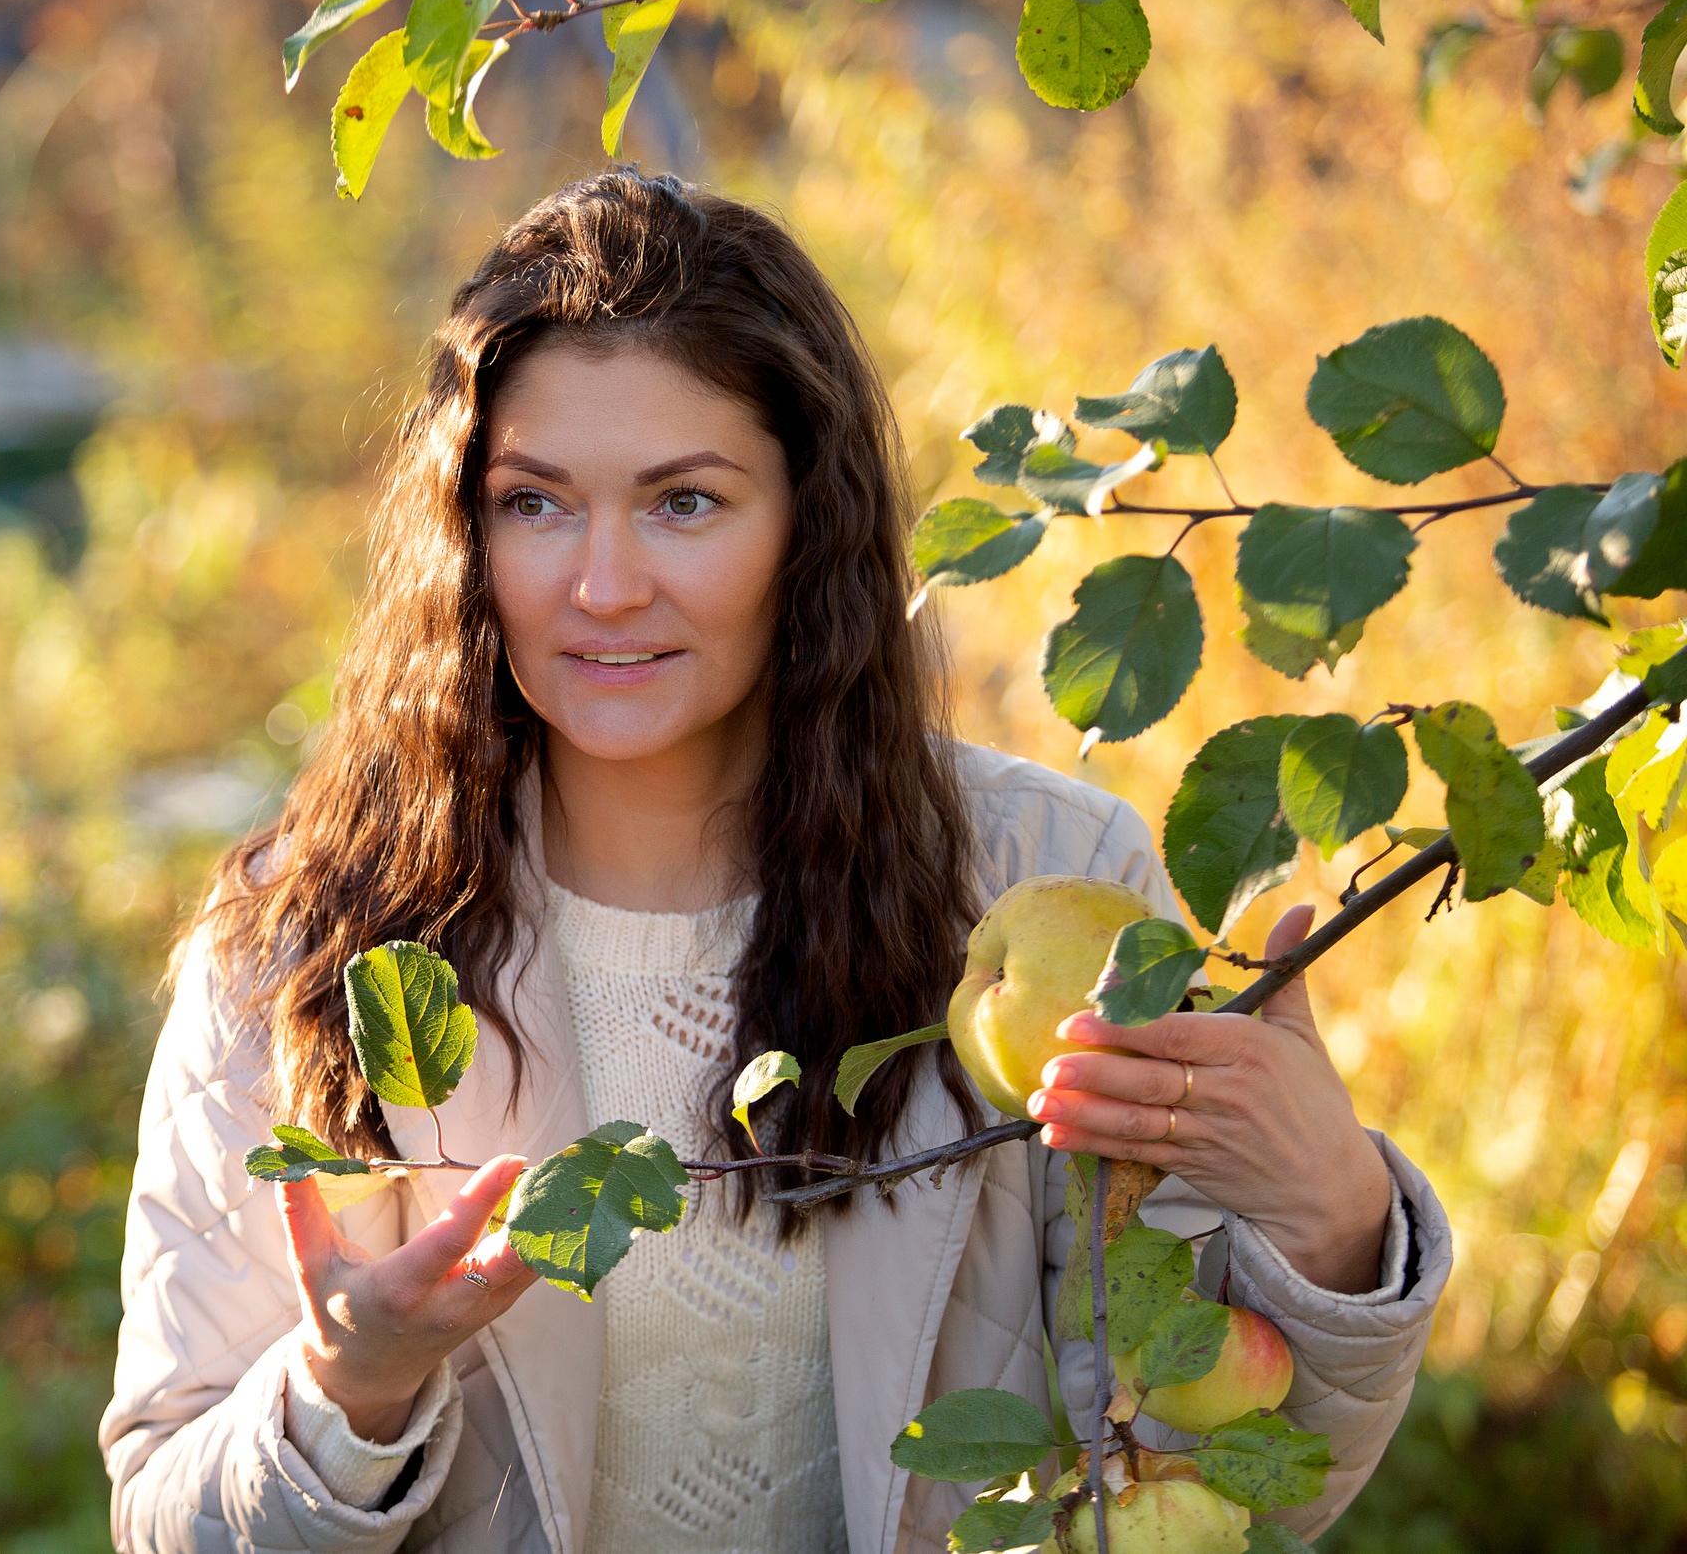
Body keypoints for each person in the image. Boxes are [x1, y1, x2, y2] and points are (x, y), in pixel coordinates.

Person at [99, 169, 1450, 1554]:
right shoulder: (307, 941)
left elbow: (1216, 1491)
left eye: (685, 502)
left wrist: (1333, 1223)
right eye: (535, 503)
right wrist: (348, 1394)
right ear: (465, 531)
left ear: (810, 523)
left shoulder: (1045, 882)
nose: (603, 585)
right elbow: (162, 1514)